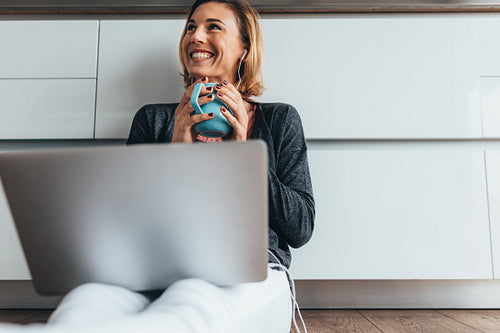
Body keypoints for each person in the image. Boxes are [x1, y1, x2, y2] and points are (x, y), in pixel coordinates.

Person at [0, 0, 314, 332]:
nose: (196, 36)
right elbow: (126, 222)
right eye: (191, 27)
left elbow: (301, 227)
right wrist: (178, 140)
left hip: (249, 273)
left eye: (213, 27)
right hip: (152, 271)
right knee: (86, 300)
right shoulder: (154, 119)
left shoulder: (279, 120)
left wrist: (245, 154)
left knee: (191, 303)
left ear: (245, 50)